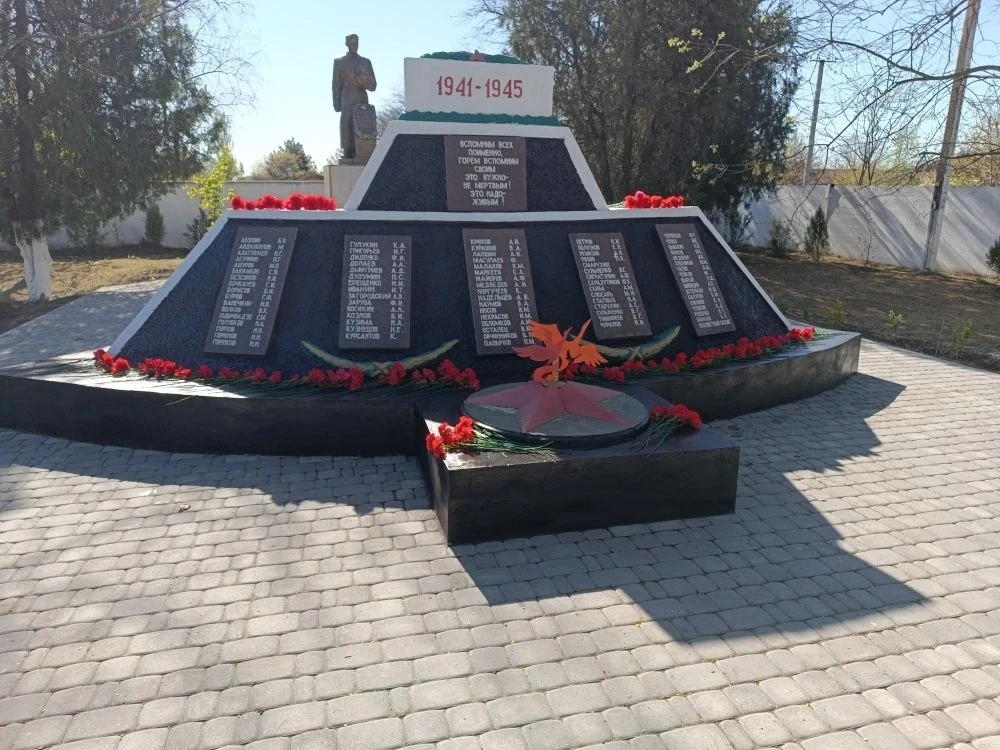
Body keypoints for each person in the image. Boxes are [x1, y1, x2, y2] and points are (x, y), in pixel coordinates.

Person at [332, 34, 377, 159]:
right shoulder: (339, 62)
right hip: (346, 96)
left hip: (362, 95)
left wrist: (365, 79)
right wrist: (336, 103)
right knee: (347, 122)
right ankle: (347, 150)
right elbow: (336, 84)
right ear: (346, 44)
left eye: (356, 43)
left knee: (364, 122)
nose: (354, 46)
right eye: (352, 44)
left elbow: (373, 86)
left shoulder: (365, 62)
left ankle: (365, 150)